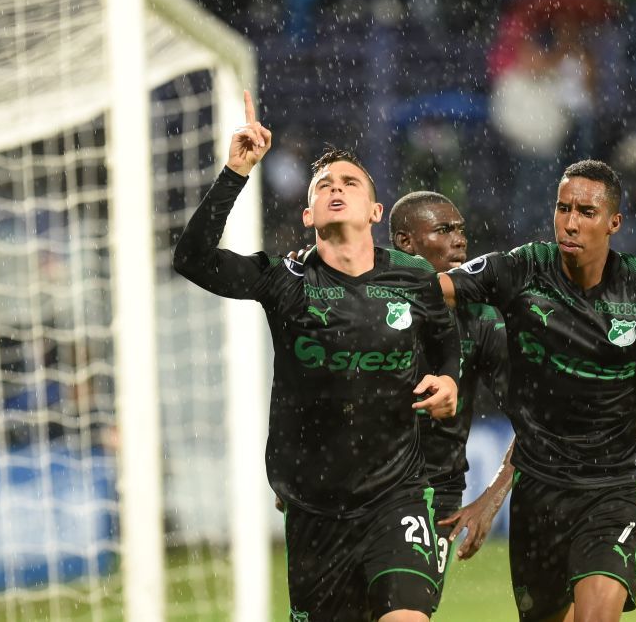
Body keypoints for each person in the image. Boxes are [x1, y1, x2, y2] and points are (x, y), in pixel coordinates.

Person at [173, 92, 461, 622]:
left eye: (350, 183)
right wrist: (237, 171)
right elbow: (191, 259)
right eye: (324, 185)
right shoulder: (285, 280)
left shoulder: (415, 277)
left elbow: (445, 342)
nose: (336, 188)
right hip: (313, 509)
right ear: (308, 213)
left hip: (396, 495)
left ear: (375, 211)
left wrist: (448, 380)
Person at [437, 160, 636, 622]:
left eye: (586, 212)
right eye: (563, 208)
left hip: (612, 490)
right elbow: (435, 290)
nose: (570, 222)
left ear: (614, 222)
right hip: (538, 494)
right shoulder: (523, 268)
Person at [388, 191, 514, 572]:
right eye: (443, 230)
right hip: (360, 487)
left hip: (435, 491)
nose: (459, 240)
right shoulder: (367, 301)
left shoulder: (481, 318)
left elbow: (538, 422)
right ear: (405, 242)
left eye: (460, 230)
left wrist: (491, 499)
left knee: (407, 602)